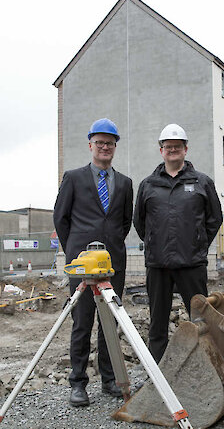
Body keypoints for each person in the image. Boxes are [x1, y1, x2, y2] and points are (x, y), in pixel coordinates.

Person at [53, 118, 133, 406]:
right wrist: (75, 251)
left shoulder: (125, 183)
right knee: (82, 321)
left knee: (109, 321)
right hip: (83, 262)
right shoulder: (73, 178)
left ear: (115, 147)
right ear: (91, 145)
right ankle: (78, 382)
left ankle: (109, 379)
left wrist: (110, 245)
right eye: (100, 142)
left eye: (109, 143)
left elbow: (124, 222)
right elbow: (61, 218)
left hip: (113, 262)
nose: (104, 147)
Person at [133, 123, 222, 364]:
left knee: (201, 321)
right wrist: (154, 243)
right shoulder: (148, 184)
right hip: (158, 265)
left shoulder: (202, 182)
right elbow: (139, 222)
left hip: (191, 264)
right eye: (168, 146)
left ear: (186, 149)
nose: (173, 150)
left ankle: (207, 370)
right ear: (161, 150)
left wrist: (197, 244)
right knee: (157, 324)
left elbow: (214, 219)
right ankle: (159, 379)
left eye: (178, 146)